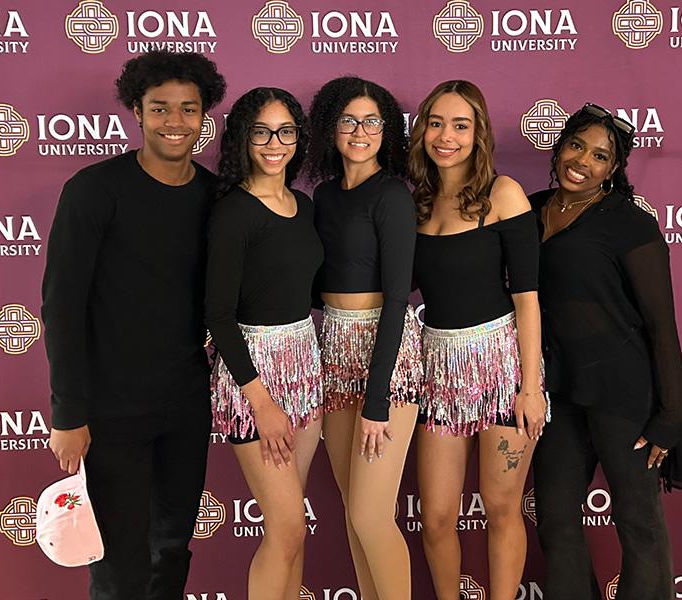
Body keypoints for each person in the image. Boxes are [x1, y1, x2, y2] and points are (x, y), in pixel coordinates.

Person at [41, 50, 226, 599]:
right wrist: (69, 414)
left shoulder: (215, 197)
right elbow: (62, 306)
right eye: (160, 108)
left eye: (188, 109)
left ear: (204, 115)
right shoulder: (94, 190)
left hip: (186, 405)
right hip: (109, 409)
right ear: (137, 113)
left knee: (171, 548)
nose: (175, 122)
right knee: (119, 558)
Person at [529, 103, 682, 600]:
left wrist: (671, 413)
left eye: (601, 155)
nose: (583, 161)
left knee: (638, 523)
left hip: (623, 393)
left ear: (614, 169)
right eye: (577, 145)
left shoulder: (629, 222)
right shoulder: (527, 210)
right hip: (556, 391)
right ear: (559, 147)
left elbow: (662, 323)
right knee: (555, 518)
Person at [408, 80, 547, 600]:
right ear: (422, 131)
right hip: (438, 371)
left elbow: (528, 298)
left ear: (478, 133)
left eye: (460, 125)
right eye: (437, 124)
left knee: (501, 506)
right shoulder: (416, 204)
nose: (447, 136)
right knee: (438, 516)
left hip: (502, 368)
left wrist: (529, 388)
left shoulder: (503, 194)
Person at [206, 87, 323, 600]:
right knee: (287, 529)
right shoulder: (234, 213)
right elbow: (218, 316)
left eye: (286, 131)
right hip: (253, 377)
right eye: (261, 132)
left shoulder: (304, 204)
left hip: (305, 366)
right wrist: (262, 401)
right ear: (242, 139)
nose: (275, 143)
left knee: (292, 531)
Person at [306, 76, 421, 600]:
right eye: (348, 120)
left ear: (387, 131)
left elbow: (398, 297)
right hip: (332, 352)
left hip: (386, 355)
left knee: (374, 517)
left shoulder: (393, 195)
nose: (359, 131)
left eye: (372, 121)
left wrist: (378, 399)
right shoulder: (323, 196)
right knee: (355, 516)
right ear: (330, 128)